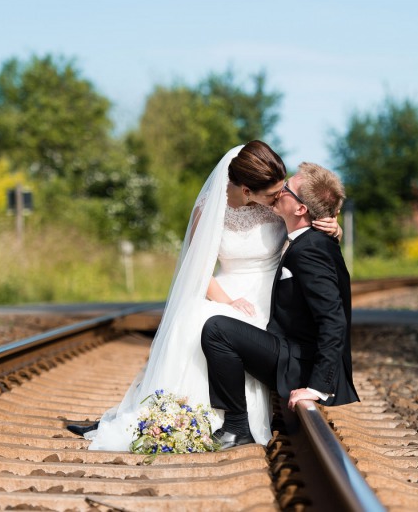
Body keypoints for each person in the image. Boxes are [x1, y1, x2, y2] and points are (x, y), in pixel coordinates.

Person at [71, 142, 342, 450]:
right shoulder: (211, 209)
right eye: (272, 193)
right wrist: (226, 301)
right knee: (194, 321)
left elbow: (308, 221)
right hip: (224, 290)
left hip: (270, 295)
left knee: (227, 328)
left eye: (282, 191)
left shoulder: (277, 205)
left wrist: (333, 225)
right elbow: (199, 269)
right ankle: (176, 417)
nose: (279, 196)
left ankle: (234, 422)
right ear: (246, 189)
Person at [201, 162, 359, 450]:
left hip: (298, 362)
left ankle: (237, 427)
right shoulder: (310, 240)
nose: (279, 191)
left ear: (300, 209)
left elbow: (333, 320)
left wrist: (317, 387)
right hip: (292, 349)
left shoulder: (310, 249)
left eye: (286, 189)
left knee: (216, 329)